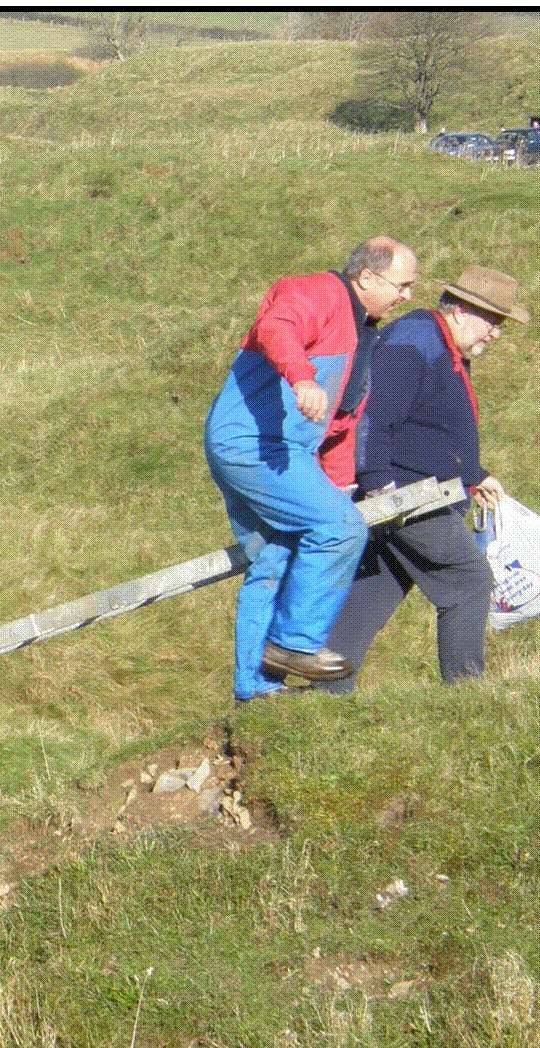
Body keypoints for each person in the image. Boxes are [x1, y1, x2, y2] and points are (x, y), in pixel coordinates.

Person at [203, 236, 419, 702]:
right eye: (402, 285)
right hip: (252, 442)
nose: (407, 297)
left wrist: (341, 484)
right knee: (342, 531)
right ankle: (295, 644)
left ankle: (256, 694)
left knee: (272, 561)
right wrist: (301, 377)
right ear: (366, 277)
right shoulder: (317, 291)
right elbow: (274, 327)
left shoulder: (365, 333)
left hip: (285, 452)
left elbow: (340, 424)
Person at [315, 266, 529, 694]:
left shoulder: (440, 345)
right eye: (494, 322)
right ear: (463, 310)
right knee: (469, 580)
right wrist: (378, 484)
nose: (497, 334)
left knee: (373, 592)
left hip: (414, 488)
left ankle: (323, 695)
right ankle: (467, 694)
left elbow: (428, 428)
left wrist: (475, 475)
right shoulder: (414, 340)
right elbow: (373, 415)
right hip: (404, 491)